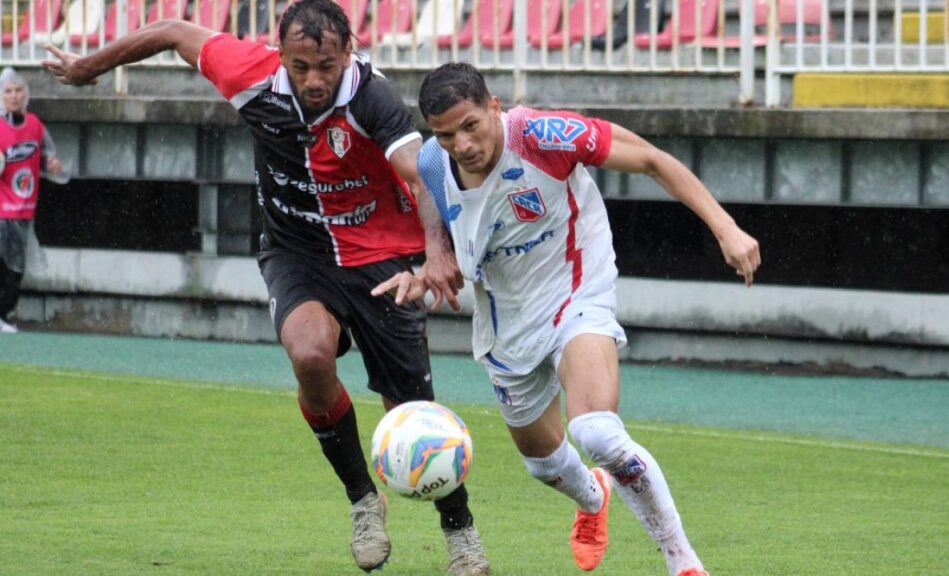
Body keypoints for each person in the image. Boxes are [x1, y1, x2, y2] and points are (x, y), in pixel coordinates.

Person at [41, 3, 490, 574]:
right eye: (300, 66)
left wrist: (436, 249)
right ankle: (362, 500)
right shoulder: (250, 75)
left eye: (326, 65)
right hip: (296, 253)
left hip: (381, 256)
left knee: (411, 406)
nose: (314, 79)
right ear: (280, 56)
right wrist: (89, 67)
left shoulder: (372, 97)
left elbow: (422, 171)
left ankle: (460, 530)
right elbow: (172, 30)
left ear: (348, 52)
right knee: (309, 354)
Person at [373, 62, 761, 576]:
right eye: (446, 135)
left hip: (576, 293)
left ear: (494, 107)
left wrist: (726, 228)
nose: (461, 145)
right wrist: (432, 260)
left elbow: (651, 159)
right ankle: (593, 497)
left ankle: (683, 561)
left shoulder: (541, 136)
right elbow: (437, 202)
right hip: (506, 320)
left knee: (597, 432)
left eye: (470, 126)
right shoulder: (431, 160)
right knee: (543, 463)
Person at [0, 67, 63, 334]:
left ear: (25, 94)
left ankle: (3, 313)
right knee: (4, 265)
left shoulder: (35, 125)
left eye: (18, 90)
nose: (14, 96)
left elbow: (48, 157)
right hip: (2, 210)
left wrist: (52, 164)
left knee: (16, 267)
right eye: (8, 91)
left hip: (25, 209)